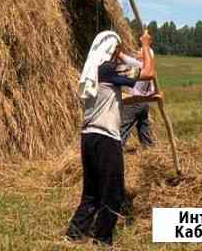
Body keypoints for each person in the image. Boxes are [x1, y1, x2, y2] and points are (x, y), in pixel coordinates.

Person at [66, 30, 155, 247]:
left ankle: (75, 234)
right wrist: (145, 45)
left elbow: (112, 100)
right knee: (113, 192)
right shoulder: (109, 68)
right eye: (116, 50)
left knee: (92, 191)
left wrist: (148, 97)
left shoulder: (94, 72)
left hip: (89, 137)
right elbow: (148, 72)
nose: (118, 54)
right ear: (109, 50)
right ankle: (103, 239)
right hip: (106, 139)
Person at [119, 47, 155, 148]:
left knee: (124, 126)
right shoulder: (149, 69)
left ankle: (118, 147)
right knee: (143, 127)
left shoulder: (140, 65)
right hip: (144, 104)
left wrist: (117, 52)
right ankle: (148, 147)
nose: (137, 52)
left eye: (140, 51)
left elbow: (124, 59)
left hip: (134, 103)